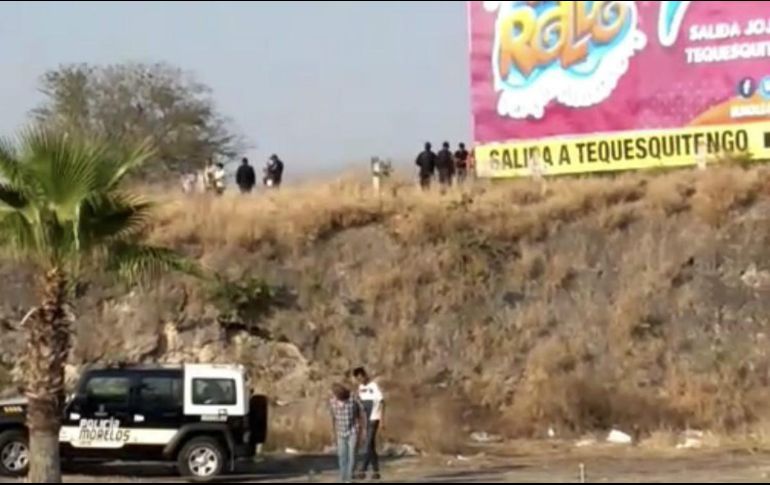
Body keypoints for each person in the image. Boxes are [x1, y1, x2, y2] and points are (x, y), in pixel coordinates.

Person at [329, 383, 365, 483]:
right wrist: (333, 432)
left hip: (353, 430)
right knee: (342, 455)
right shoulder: (332, 402)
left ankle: (349, 477)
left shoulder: (352, 400)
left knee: (352, 454)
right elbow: (332, 417)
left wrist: (361, 428)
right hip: (340, 431)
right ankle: (343, 477)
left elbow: (360, 412)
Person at [353, 367, 384, 480]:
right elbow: (360, 405)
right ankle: (376, 471)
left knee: (367, 444)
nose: (360, 380)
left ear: (365, 375)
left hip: (374, 417)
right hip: (366, 418)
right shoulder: (360, 388)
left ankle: (362, 470)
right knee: (370, 445)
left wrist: (382, 419)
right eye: (358, 378)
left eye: (361, 377)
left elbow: (381, 402)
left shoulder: (374, 386)